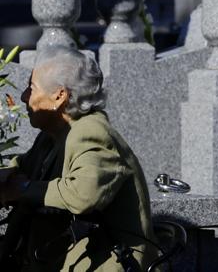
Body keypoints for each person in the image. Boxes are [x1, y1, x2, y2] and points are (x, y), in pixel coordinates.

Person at [0, 47, 155, 272]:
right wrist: (8, 177)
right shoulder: (53, 133)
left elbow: (83, 194)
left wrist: (22, 188)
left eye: (31, 88)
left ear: (59, 96)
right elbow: (26, 167)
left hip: (108, 261)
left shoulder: (91, 132)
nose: (24, 97)